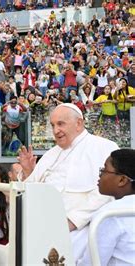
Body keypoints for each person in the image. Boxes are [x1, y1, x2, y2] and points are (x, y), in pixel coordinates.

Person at [17, 103, 119, 260]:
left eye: (61, 124)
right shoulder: (51, 154)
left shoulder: (104, 147)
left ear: (79, 123)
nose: (56, 130)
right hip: (41, 226)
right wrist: (28, 172)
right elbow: (30, 190)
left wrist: (71, 222)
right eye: (53, 125)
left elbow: (106, 194)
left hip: (80, 229)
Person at [78, 149, 135, 265]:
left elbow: (92, 263)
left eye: (104, 170)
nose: (99, 175)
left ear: (122, 180)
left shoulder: (110, 214)